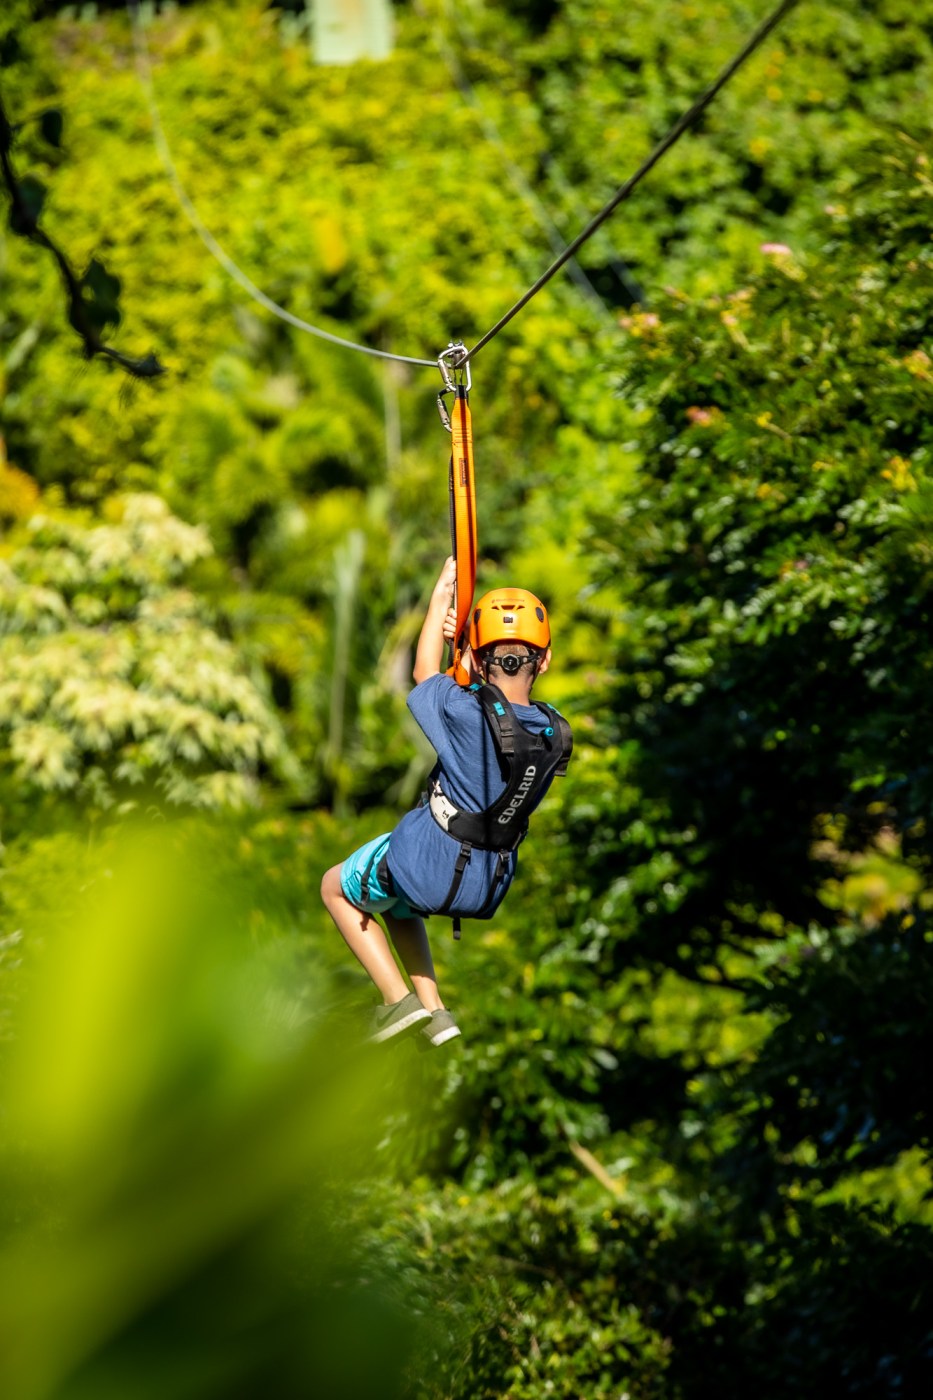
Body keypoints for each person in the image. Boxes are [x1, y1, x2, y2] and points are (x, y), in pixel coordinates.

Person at [320, 556, 572, 1046]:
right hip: (487, 882)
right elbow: (499, 716)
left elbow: (424, 673)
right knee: (397, 903)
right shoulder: (553, 732)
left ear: (477, 657)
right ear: (544, 661)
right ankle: (434, 1010)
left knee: (335, 887)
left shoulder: (459, 710)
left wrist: (440, 601)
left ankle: (397, 1002)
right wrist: (471, 668)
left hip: (430, 862)